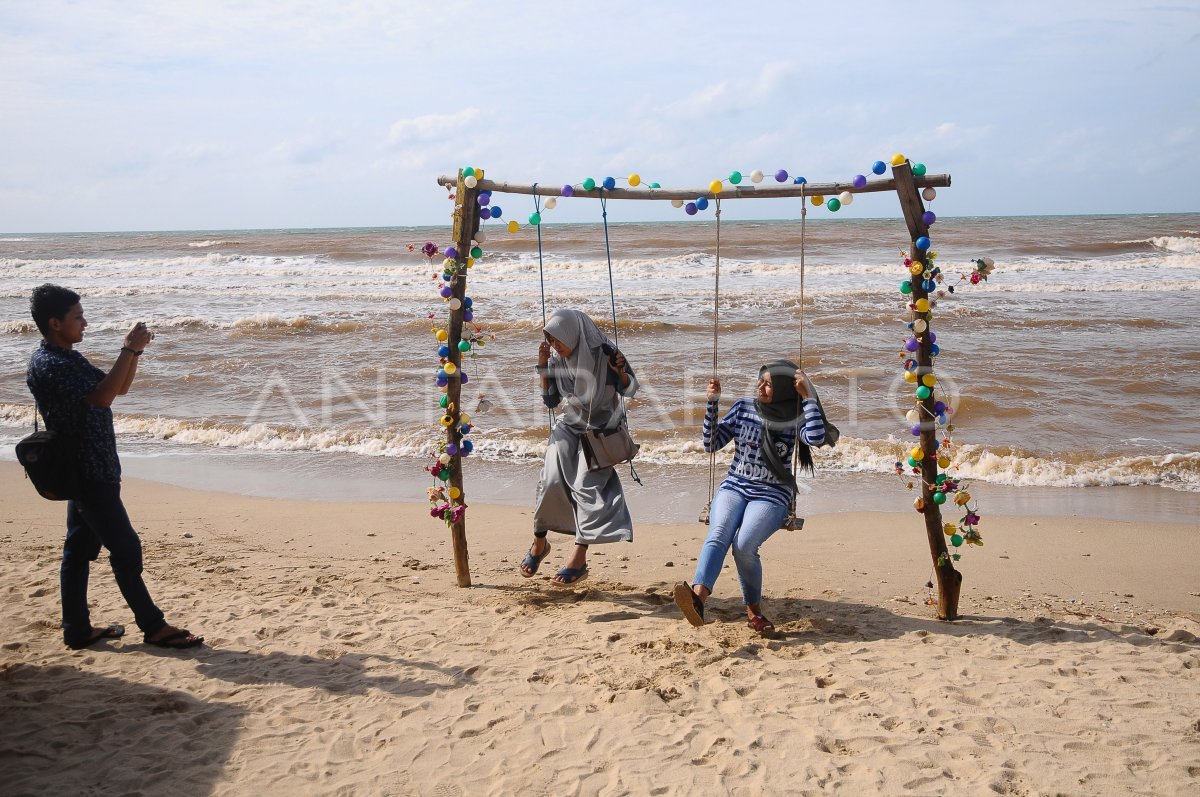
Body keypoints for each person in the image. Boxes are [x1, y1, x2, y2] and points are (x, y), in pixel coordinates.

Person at [26, 284, 203, 650]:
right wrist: (127, 349)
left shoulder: (68, 357)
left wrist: (134, 355)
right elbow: (101, 398)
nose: (85, 322)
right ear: (55, 323)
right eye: (78, 317)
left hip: (92, 470)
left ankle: (76, 629)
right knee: (125, 550)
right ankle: (153, 627)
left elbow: (118, 389)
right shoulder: (51, 364)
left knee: (77, 550)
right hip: (87, 472)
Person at [673, 359, 827, 637]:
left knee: (743, 545)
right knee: (719, 533)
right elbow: (711, 444)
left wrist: (808, 398)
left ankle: (754, 611)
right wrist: (712, 403)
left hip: (772, 495)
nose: (761, 386)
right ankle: (697, 600)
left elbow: (816, 437)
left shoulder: (794, 416)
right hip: (735, 487)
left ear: (781, 389)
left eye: (768, 383)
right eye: (760, 380)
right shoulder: (743, 408)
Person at [519, 309, 638, 586]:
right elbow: (551, 401)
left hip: (602, 429)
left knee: (586, 486)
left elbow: (630, 389)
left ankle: (579, 557)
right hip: (570, 424)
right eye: (551, 342)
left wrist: (619, 372)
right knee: (550, 481)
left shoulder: (606, 353)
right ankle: (539, 543)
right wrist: (543, 365)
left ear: (573, 333)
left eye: (558, 341)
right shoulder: (558, 359)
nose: (555, 347)